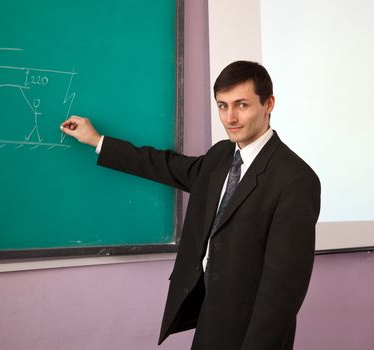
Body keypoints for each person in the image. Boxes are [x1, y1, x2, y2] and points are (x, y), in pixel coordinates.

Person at [60, 60, 321, 350]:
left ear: (268, 103)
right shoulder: (222, 155)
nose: (230, 117)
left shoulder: (295, 179)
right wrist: (98, 141)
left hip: (252, 331)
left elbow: (283, 293)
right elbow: (167, 166)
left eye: (242, 105)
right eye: (222, 106)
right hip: (209, 316)